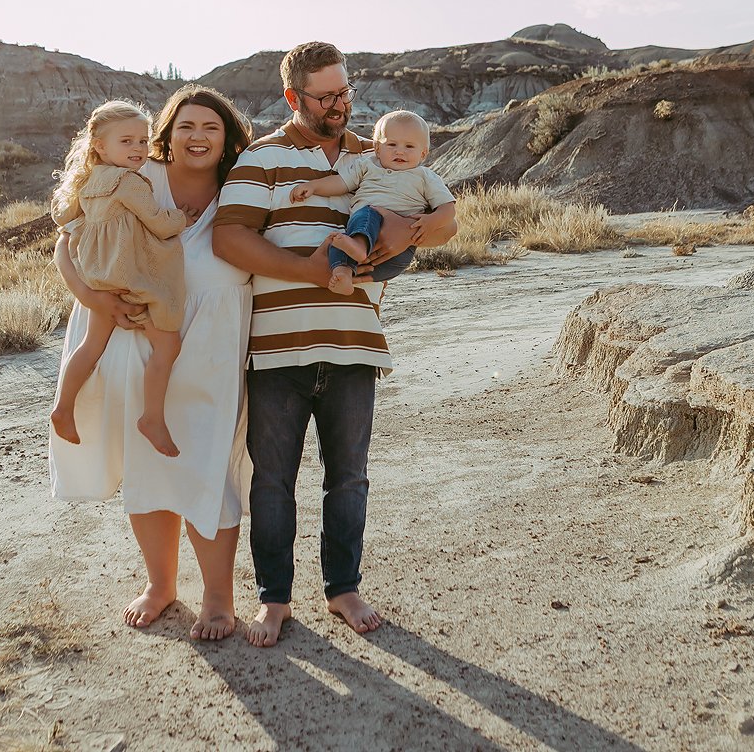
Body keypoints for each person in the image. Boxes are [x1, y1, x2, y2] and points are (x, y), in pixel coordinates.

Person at [213, 42, 459, 647]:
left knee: (348, 478)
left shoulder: (379, 152)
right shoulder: (262, 158)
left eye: (346, 92)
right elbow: (228, 239)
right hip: (276, 349)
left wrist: (411, 229)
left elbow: (443, 219)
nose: (340, 104)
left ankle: (342, 589)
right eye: (326, 96)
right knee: (272, 481)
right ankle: (275, 599)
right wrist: (315, 271)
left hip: (356, 345)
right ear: (295, 97)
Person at [49, 86, 255, 640]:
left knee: (211, 471)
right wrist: (94, 300)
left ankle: (217, 599)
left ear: (228, 137)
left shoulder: (246, 187)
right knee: (149, 471)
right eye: (185, 126)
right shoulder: (141, 174)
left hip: (214, 352)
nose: (198, 137)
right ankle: (161, 586)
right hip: (139, 346)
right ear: (167, 132)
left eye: (211, 127)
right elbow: (68, 242)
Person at [49, 100, 189, 457]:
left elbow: (65, 220)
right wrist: (182, 218)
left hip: (99, 278)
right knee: (168, 344)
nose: (139, 149)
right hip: (129, 276)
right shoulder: (130, 182)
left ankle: (63, 407)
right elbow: (158, 221)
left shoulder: (87, 181)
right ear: (99, 145)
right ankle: (152, 417)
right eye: (126, 142)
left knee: (90, 347)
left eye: (143, 141)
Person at [288, 109, 455, 295]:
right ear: (377, 148)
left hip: (400, 250)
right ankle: (344, 276)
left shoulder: (425, 177)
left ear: (423, 154)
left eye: (409, 147)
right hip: (366, 232)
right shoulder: (367, 165)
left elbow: (448, 208)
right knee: (337, 244)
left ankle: (359, 248)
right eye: (391, 144)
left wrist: (431, 222)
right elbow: (341, 182)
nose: (399, 151)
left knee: (366, 214)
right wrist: (314, 187)